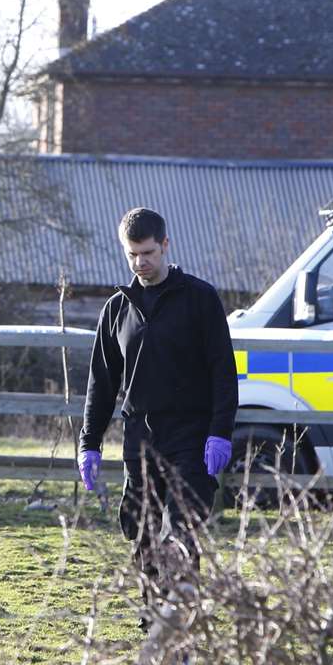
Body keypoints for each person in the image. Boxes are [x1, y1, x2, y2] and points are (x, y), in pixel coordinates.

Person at [78, 206, 236, 626]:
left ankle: (179, 628)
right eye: (132, 255)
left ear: (165, 245)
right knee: (144, 537)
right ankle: (154, 624)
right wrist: (89, 443)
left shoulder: (200, 299)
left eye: (148, 252)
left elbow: (223, 371)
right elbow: (102, 382)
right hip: (140, 441)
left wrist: (219, 432)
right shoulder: (117, 309)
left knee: (177, 536)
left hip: (191, 437)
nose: (140, 262)